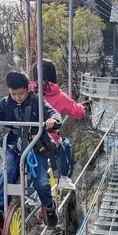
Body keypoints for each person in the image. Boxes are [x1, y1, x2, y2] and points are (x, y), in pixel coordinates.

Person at [0, 71, 61, 228]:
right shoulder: (6, 103)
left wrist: (53, 120)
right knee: (7, 171)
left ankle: (49, 206)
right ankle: (0, 210)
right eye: (14, 94)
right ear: (9, 91)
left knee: (40, 181)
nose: (18, 97)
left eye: (21, 93)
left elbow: (52, 112)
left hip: (35, 144)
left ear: (28, 89)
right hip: (15, 145)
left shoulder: (36, 101)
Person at [31, 59, 86, 191]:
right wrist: (83, 107)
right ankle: (64, 178)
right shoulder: (57, 95)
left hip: (28, 138)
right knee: (64, 144)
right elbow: (78, 113)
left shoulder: (28, 91)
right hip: (47, 140)